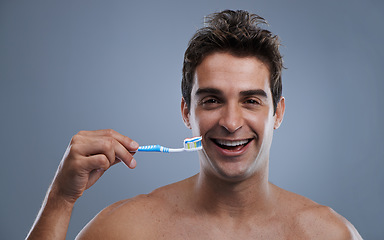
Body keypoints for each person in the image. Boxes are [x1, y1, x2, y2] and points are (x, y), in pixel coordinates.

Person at [27, 10, 362, 239]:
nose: (231, 123)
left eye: (251, 101)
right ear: (187, 112)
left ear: (278, 113)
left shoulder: (329, 234)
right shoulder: (128, 229)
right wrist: (61, 199)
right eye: (212, 100)